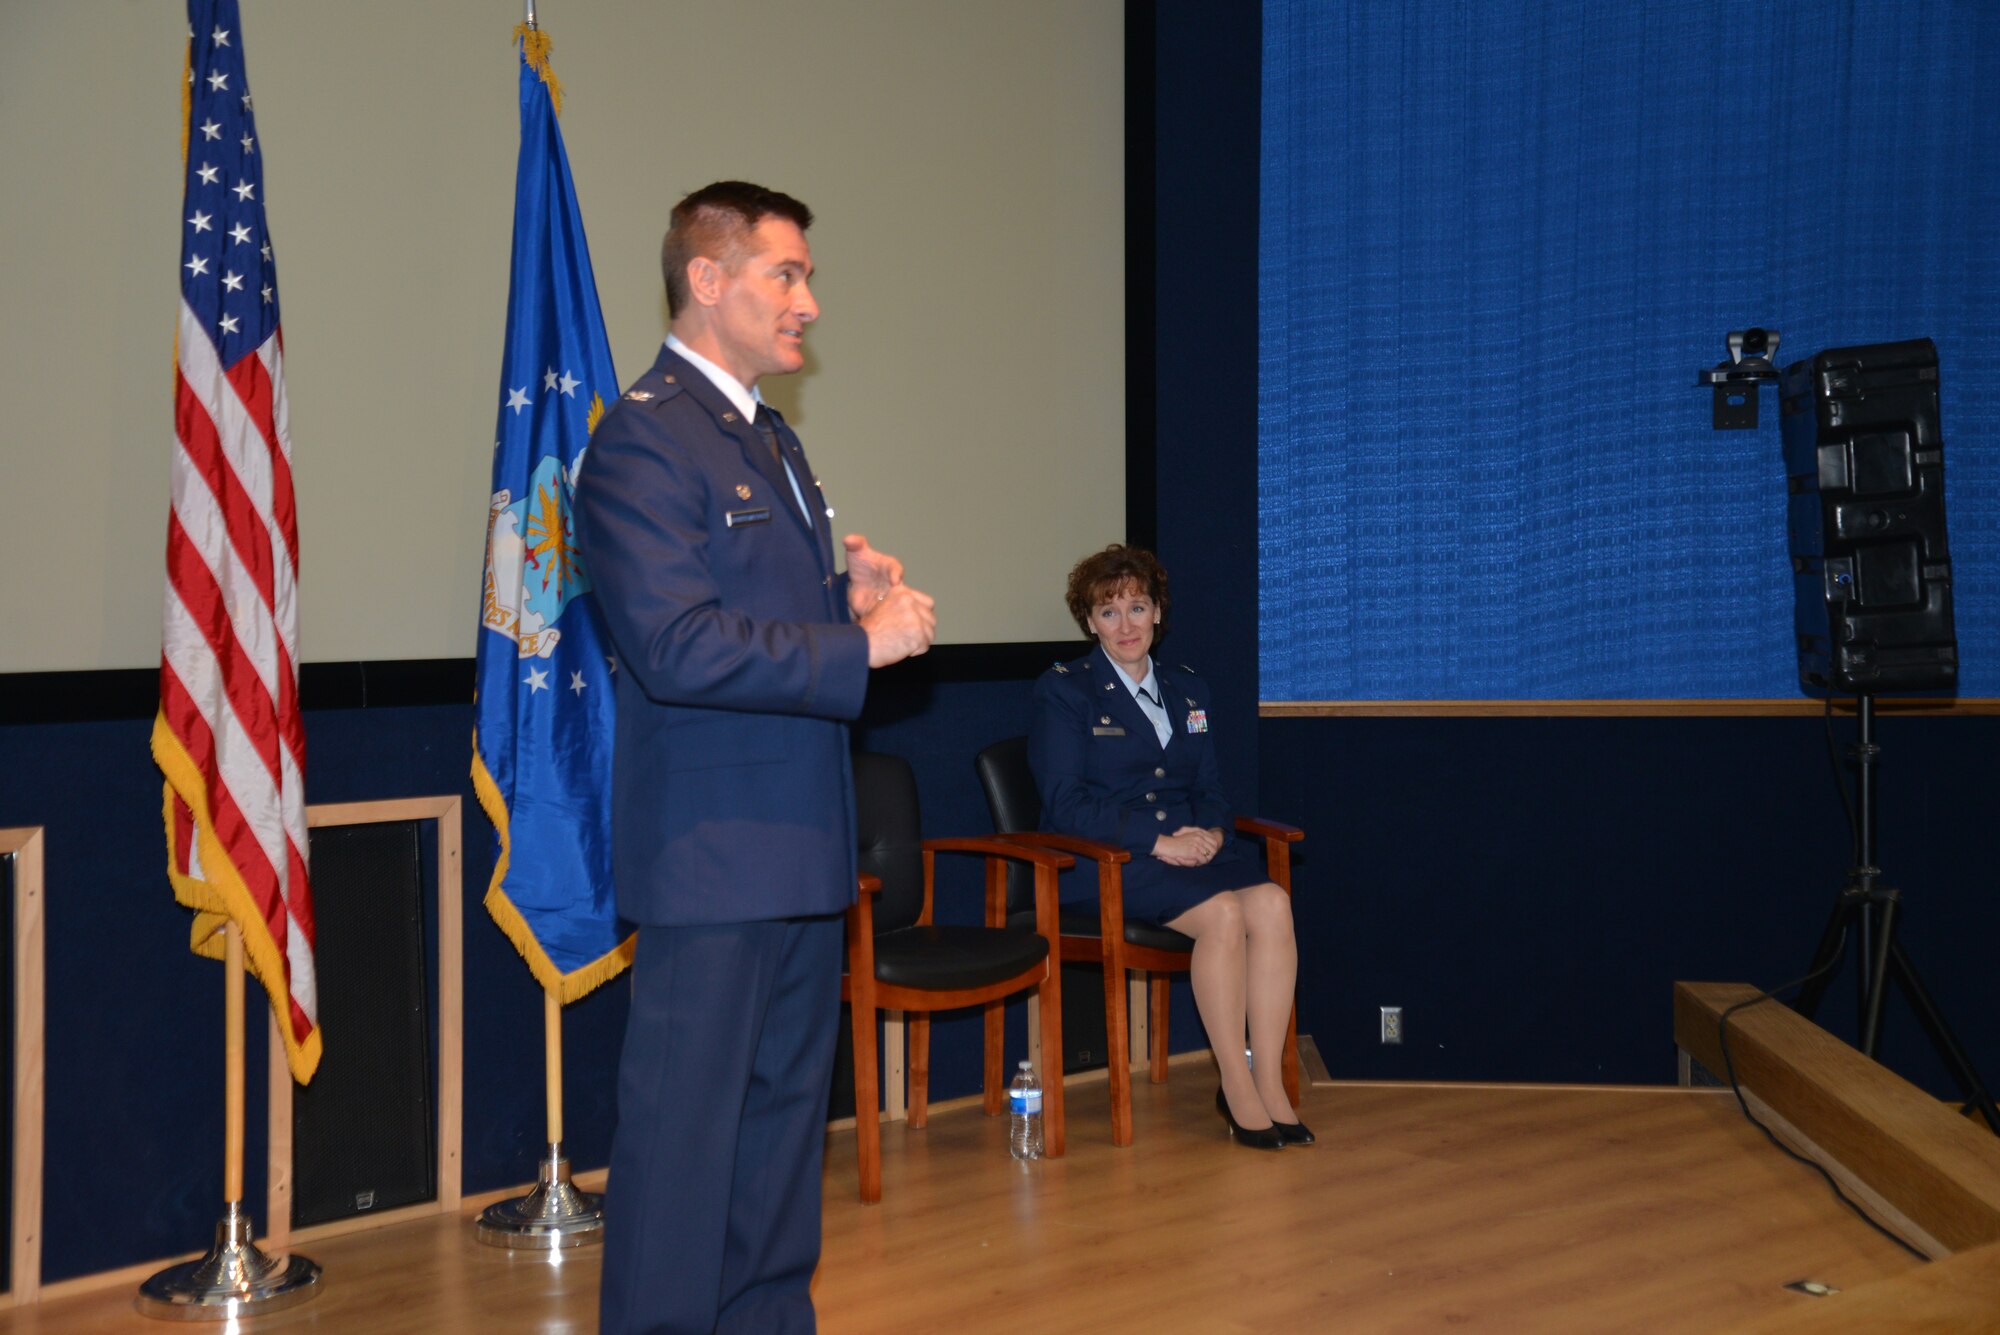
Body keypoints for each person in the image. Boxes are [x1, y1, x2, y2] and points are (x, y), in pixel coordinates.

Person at [575, 181, 936, 1335]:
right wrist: (855, 644)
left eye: (807, 276)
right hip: (712, 857)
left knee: (780, 1135)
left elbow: (744, 614)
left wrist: (843, 598)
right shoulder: (640, 437)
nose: (809, 303)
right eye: (787, 274)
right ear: (708, 279)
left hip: (796, 846)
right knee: (685, 1143)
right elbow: (675, 645)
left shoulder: (766, 435)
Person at [1027, 544, 1308, 1151]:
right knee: (1227, 915)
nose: (1125, 625)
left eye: (1137, 607)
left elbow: (1208, 788)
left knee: (1274, 905)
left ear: (1158, 613)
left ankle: (1270, 1079)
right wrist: (1158, 842)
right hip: (1110, 862)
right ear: (1088, 622)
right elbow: (1064, 804)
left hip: (1193, 851)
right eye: (1109, 613)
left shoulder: (1189, 690)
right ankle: (1236, 1086)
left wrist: (1211, 833)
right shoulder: (1066, 692)